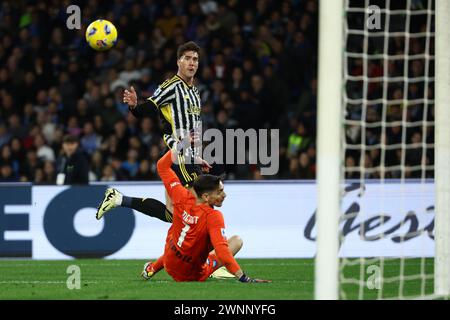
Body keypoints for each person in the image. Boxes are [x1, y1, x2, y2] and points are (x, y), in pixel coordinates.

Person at [96, 41, 210, 224]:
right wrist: (135, 106)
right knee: (203, 207)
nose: (192, 63)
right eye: (187, 58)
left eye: (195, 59)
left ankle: (118, 199)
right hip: (180, 157)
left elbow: (193, 127)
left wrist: (197, 156)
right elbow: (150, 107)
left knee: (171, 214)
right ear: (178, 62)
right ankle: (215, 251)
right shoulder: (171, 86)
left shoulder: (195, 92)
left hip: (190, 157)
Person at [141, 149, 270, 283]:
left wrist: (180, 145)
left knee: (181, 234)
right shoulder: (213, 216)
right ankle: (210, 268)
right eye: (220, 192)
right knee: (236, 241)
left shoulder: (180, 194)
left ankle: (152, 268)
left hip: (169, 262)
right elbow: (222, 251)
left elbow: (162, 166)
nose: (224, 195)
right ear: (206, 196)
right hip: (193, 275)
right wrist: (245, 278)